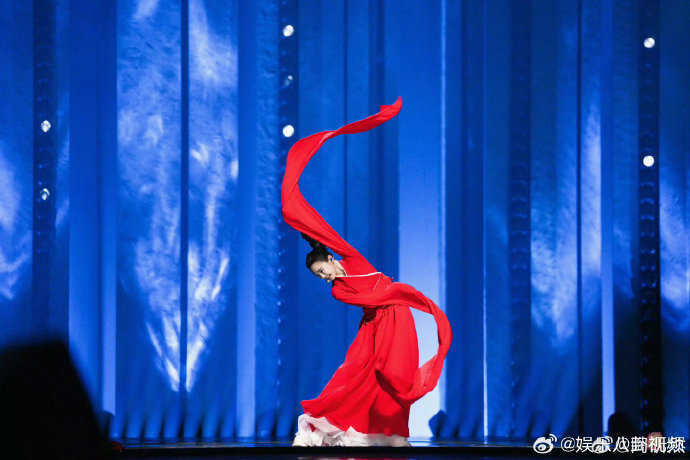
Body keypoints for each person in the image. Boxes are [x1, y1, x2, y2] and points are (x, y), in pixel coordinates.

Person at [281, 96, 452, 446]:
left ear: (331, 258)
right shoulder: (339, 290)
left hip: (397, 317)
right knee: (355, 375)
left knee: (394, 378)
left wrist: (295, 211)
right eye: (318, 277)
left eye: (323, 269)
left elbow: (321, 230)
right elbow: (372, 300)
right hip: (374, 326)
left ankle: (390, 433)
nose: (324, 277)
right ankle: (333, 428)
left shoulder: (350, 258)